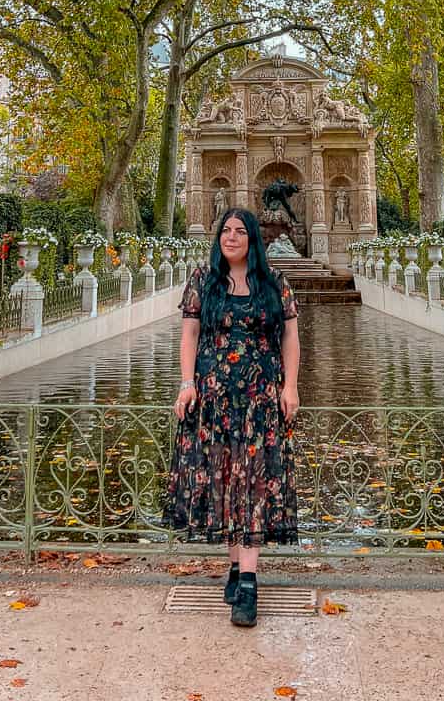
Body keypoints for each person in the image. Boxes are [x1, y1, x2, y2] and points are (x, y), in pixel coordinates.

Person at [163, 207, 300, 627]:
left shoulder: (273, 284)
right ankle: (236, 567)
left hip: (260, 398)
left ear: (253, 239)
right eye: (226, 230)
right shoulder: (203, 283)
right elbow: (189, 336)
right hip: (214, 398)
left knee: (255, 480)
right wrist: (187, 382)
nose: (232, 237)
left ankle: (249, 583)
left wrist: (290, 386)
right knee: (224, 480)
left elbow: (291, 336)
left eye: (241, 231)